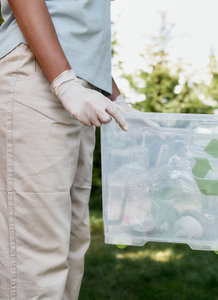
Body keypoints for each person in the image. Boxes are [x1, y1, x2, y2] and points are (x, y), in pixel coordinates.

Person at [0, 0, 131, 299]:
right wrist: (64, 83)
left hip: (80, 86)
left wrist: (117, 98)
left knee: (72, 249)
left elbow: (78, 29)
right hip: (39, 76)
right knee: (35, 261)